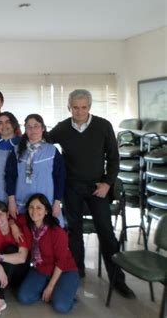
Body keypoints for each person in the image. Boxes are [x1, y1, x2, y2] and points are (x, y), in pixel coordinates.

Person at [49, 89, 135, 298]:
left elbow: (114, 159)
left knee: (106, 233)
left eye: (83, 107)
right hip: (72, 188)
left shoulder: (103, 126)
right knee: (74, 232)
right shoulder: (62, 128)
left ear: (89, 107)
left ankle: (117, 279)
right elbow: (41, 138)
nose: (79, 112)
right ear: (69, 107)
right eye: (75, 107)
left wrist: (107, 183)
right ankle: (76, 272)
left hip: (98, 188)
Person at [18, 194, 78, 314]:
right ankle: (56, 291)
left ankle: (62, 291)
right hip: (41, 269)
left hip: (64, 270)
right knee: (23, 297)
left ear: (46, 211)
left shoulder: (57, 232)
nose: (34, 211)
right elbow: (11, 217)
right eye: (31, 207)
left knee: (61, 306)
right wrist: (13, 225)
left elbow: (61, 261)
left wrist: (50, 286)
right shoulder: (28, 226)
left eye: (39, 207)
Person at [5, 114, 65, 226]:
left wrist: (57, 202)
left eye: (36, 126)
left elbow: (60, 178)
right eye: (29, 127)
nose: (33, 130)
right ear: (25, 130)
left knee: (48, 235)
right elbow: (10, 177)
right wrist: (11, 201)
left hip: (46, 201)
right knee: (24, 234)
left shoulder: (52, 151)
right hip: (22, 201)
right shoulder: (17, 151)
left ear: (43, 128)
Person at [0, 201, 30, 317]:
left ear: (7, 214)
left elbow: (22, 258)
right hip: (4, 272)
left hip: (19, 272)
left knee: (9, 249)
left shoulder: (17, 230)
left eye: (1, 214)